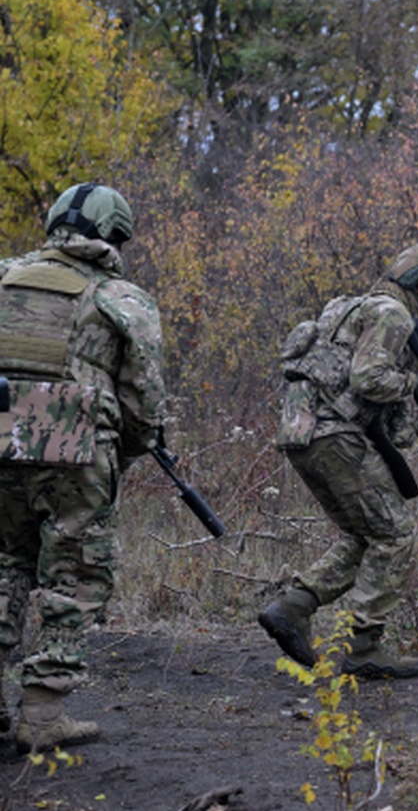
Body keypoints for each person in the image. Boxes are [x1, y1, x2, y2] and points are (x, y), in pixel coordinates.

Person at [0, 183, 166, 752]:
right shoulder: (123, 299)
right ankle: (42, 716)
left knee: (4, 563)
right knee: (74, 575)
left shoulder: (4, 275)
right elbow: (143, 403)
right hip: (75, 454)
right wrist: (125, 449)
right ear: (114, 236)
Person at [258, 243, 418, 679]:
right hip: (334, 437)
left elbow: (367, 406)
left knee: (364, 534)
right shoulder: (393, 315)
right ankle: (364, 644)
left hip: (303, 434)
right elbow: (368, 379)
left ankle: (292, 607)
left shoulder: (348, 309)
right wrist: (417, 385)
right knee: (396, 535)